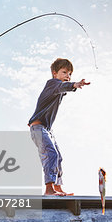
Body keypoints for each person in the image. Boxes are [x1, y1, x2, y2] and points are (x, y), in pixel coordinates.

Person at [28, 58, 90, 196]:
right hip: (38, 128)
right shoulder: (52, 84)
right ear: (55, 73)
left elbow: (62, 89)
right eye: (65, 72)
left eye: (70, 74)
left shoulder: (58, 89)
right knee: (51, 154)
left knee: (58, 157)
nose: (68, 76)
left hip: (46, 129)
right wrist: (75, 84)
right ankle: (49, 189)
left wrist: (72, 84)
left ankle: (58, 187)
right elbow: (62, 86)